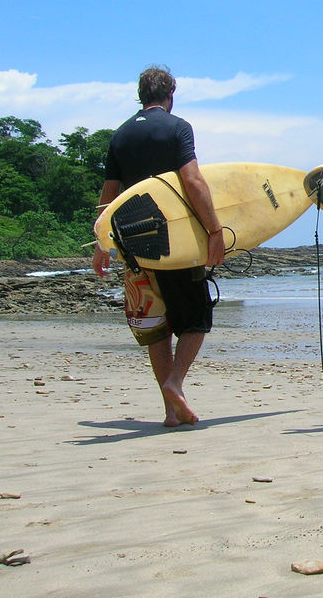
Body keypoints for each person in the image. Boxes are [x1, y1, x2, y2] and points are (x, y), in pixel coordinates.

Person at [92, 66, 225, 427]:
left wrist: (100, 245)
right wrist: (215, 231)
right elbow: (193, 180)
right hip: (173, 241)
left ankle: (170, 410)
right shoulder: (177, 127)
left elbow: (109, 195)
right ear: (171, 94)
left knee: (156, 325)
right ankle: (175, 383)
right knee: (196, 319)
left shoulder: (119, 136)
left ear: (140, 94)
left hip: (132, 245)